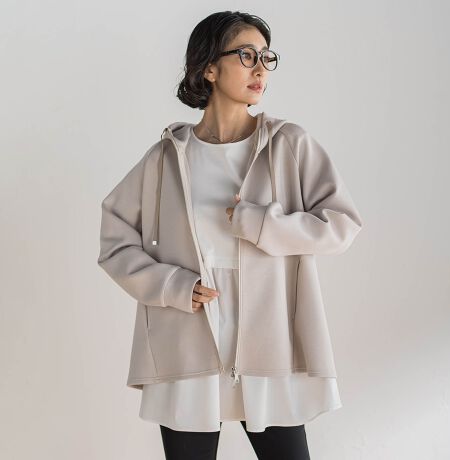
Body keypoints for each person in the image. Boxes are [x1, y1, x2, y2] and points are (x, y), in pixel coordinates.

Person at [97, 10, 363, 460]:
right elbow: (115, 239)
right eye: (246, 55)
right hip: (188, 335)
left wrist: (262, 223)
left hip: (269, 336)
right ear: (209, 67)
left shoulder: (288, 144)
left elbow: (341, 224)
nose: (260, 68)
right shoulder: (167, 157)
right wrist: (172, 286)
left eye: (266, 57)